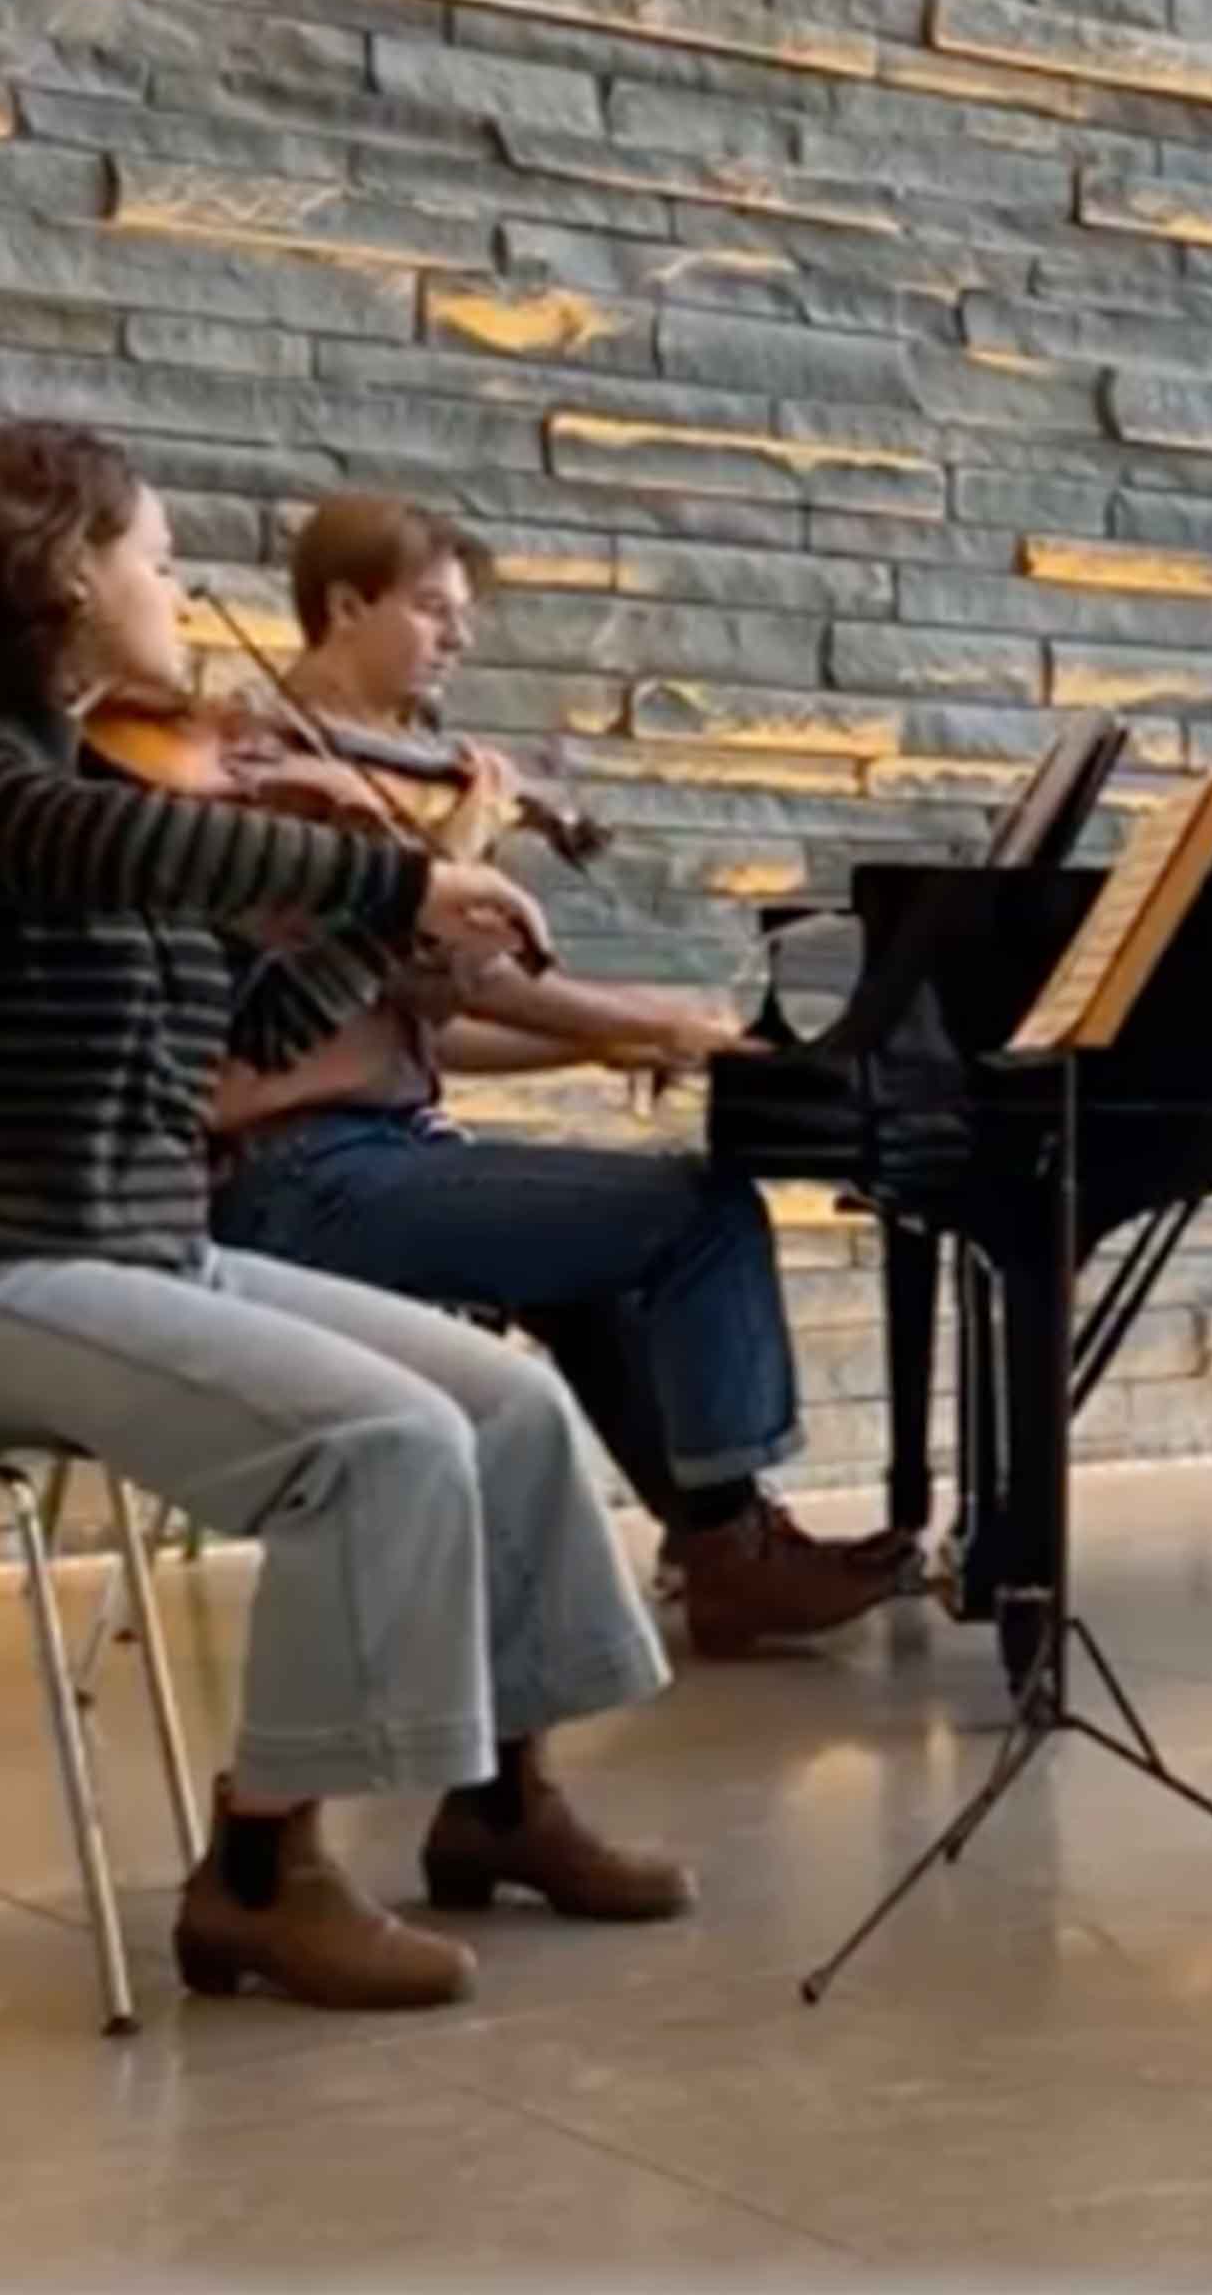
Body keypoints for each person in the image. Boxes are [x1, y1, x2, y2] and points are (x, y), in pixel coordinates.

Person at [0, 421, 694, 2012]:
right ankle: (255, 1874)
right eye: (157, 560)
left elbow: (256, 1040)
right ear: (64, 575)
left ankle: (500, 1806)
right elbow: (81, 843)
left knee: (507, 1405)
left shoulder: (103, 779)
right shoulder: (2, 784)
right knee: (377, 1443)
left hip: (141, 1242)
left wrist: (411, 916)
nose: (180, 594)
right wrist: (391, 883)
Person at [205, 494, 909, 1653]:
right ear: (343, 605)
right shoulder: (276, 782)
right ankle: (733, 1545)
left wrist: (606, 1040)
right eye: (433, 611)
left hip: (364, 1151)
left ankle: (718, 1546)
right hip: (292, 1177)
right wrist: (653, 1015)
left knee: (587, 1250)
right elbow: (475, 980)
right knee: (698, 1210)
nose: (458, 640)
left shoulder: (375, 785)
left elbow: (431, 1030)